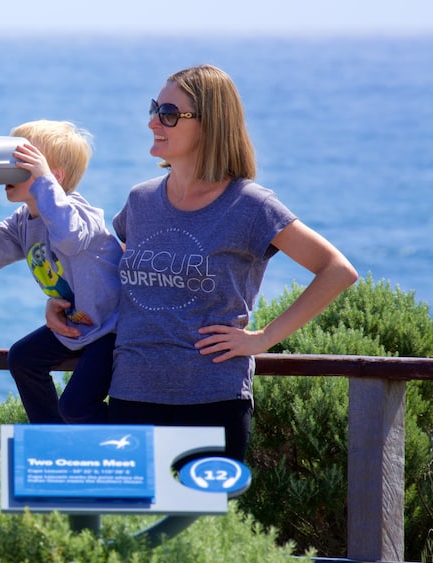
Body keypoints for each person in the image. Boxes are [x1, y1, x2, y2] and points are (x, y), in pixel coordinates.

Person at [46, 65, 358, 461]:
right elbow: (112, 269)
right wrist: (67, 303)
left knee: (201, 523)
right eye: (155, 109)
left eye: (170, 114)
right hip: (130, 396)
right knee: (130, 521)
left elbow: (337, 270)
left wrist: (262, 339)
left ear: (210, 125)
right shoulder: (141, 200)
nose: (153, 122)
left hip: (212, 402)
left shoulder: (250, 205)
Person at [0, 119, 123, 424]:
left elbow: (67, 237)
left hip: (112, 329)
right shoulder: (23, 220)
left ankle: (129, 433)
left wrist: (44, 181)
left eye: (21, 162)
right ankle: (52, 436)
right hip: (79, 324)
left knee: (77, 407)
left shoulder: (80, 213)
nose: (9, 168)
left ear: (53, 177)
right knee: (23, 359)